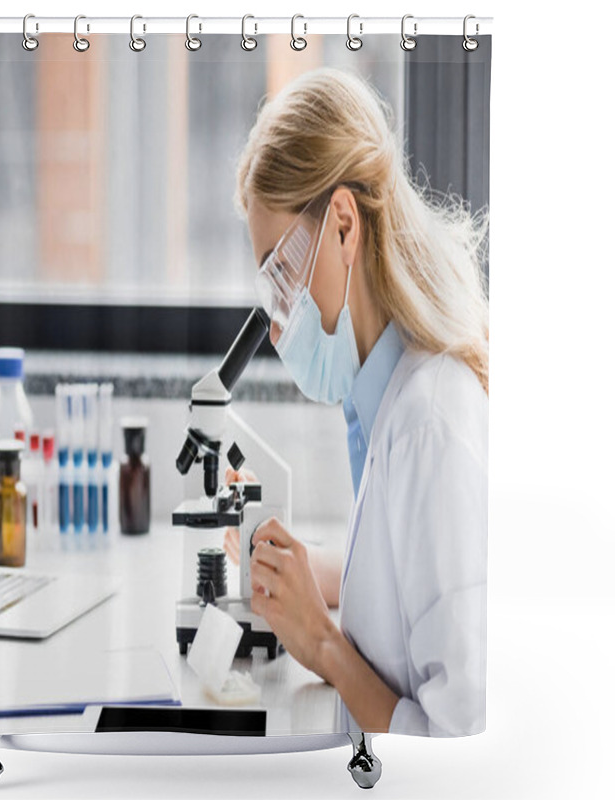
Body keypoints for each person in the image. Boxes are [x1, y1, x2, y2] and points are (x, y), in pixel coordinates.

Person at [223, 67, 488, 737]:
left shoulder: (430, 422)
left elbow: (456, 741)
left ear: (343, 224)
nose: (276, 324)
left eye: (281, 273)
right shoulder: (385, 396)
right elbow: (408, 581)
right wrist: (302, 570)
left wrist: (323, 646)